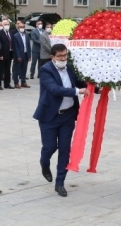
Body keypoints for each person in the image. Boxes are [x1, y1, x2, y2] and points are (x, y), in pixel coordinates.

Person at [34, 44, 89, 197]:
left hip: (67, 116)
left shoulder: (70, 68)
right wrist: (78, 91)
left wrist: (97, 87)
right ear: (52, 57)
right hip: (49, 116)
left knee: (65, 149)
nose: (63, 58)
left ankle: (60, 182)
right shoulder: (46, 70)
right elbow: (54, 90)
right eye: (59, 56)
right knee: (50, 147)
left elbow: (79, 83)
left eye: (65, 55)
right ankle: (44, 163)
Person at [11, 22, 31, 88]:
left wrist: (29, 55)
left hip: (25, 54)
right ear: (18, 28)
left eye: (23, 27)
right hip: (19, 55)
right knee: (16, 69)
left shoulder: (27, 35)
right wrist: (18, 56)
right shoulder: (15, 36)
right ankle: (16, 83)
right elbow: (15, 47)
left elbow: (28, 45)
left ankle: (23, 82)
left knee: (24, 69)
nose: (22, 28)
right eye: (20, 27)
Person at [0, 20, 13, 89]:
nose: (7, 25)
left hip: (10, 53)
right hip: (2, 54)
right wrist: (0, 55)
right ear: (2, 25)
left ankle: (7, 84)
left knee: (7, 69)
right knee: (0, 70)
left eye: (8, 24)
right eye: (5, 24)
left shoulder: (11, 32)